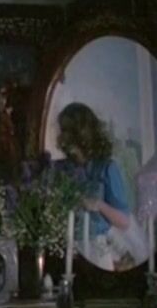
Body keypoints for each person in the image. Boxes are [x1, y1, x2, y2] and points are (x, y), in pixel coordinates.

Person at [53, 102, 149, 271]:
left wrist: (98, 205)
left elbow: (124, 221)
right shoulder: (62, 169)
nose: (63, 137)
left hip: (97, 248)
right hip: (66, 247)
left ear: (81, 133)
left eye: (67, 130)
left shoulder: (106, 168)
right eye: (63, 130)